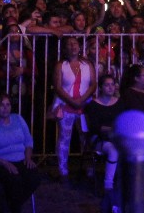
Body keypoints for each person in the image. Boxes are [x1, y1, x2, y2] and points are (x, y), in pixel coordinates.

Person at [0, 93, 41, 213]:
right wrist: (3, 162)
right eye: (1, 105)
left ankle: (9, 206)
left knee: (34, 177)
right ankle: (12, 208)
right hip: (1, 161)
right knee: (14, 181)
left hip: (21, 158)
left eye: (8, 104)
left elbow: (28, 140)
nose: (5, 108)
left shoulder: (18, 118)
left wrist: (28, 157)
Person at [51, 36, 96, 180]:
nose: (72, 46)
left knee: (86, 138)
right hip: (66, 106)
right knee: (64, 139)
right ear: (64, 48)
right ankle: (63, 170)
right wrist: (71, 101)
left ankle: (89, 169)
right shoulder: (60, 65)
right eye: (69, 44)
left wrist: (81, 100)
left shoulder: (87, 64)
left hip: (85, 106)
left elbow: (93, 84)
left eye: (75, 43)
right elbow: (58, 87)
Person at [83, 73, 122, 213]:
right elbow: (94, 127)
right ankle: (108, 184)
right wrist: (112, 129)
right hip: (99, 139)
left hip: (117, 137)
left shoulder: (119, 102)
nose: (110, 87)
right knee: (113, 150)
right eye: (107, 84)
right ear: (101, 87)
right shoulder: (93, 105)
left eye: (112, 84)